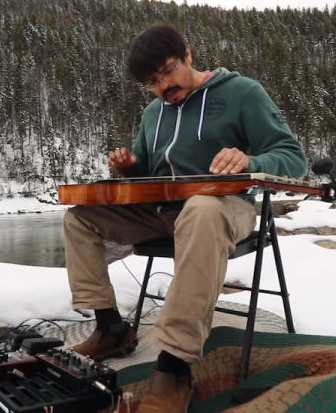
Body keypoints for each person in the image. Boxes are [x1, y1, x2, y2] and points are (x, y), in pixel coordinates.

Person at [62, 24, 307, 412]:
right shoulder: (153, 113)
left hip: (225, 208)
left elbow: (293, 158)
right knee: (79, 217)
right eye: (153, 81)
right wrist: (131, 168)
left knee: (202, 208)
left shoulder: (242, 93)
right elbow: (149, 174)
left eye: (169, 71)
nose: (164, 86)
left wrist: (251, 160)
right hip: (163, 213)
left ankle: (174, 365)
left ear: (188, 55)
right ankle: (111, 327)